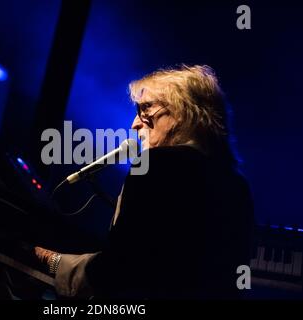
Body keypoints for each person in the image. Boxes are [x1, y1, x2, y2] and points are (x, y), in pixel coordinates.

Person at [35, 65, 254, 299]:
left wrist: (57, 263)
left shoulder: (155, 164)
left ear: (184, 113)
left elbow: (117, 268)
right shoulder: (237, 185)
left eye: (145, 108)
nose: (135, 124)